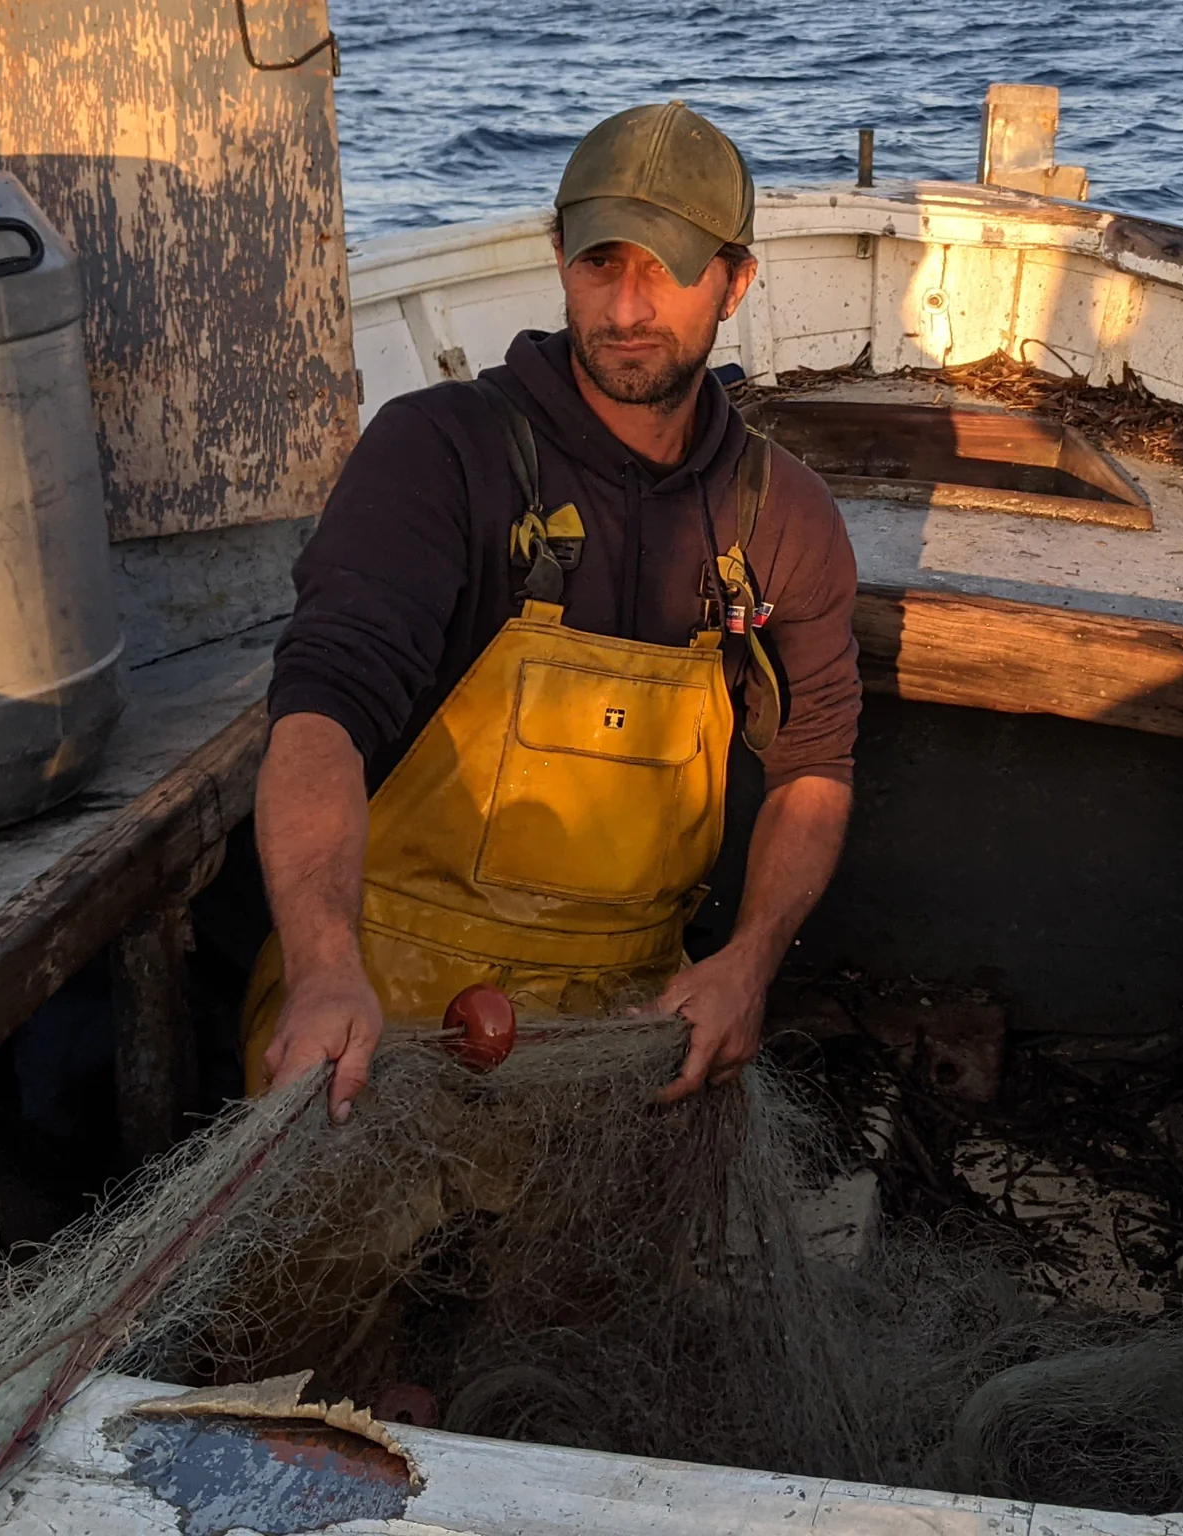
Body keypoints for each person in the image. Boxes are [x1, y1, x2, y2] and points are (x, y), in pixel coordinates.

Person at [244, 100, 861, 1120]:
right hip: (377, 1007)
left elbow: (814, 763)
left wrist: (747, 963)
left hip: (622, 1023)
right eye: (598, 264)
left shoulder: (778, 513)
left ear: (736, 281)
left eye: (664, 269)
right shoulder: (435, 453)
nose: (625, 309)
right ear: (557, 256)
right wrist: (321, 966)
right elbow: (322, 713)